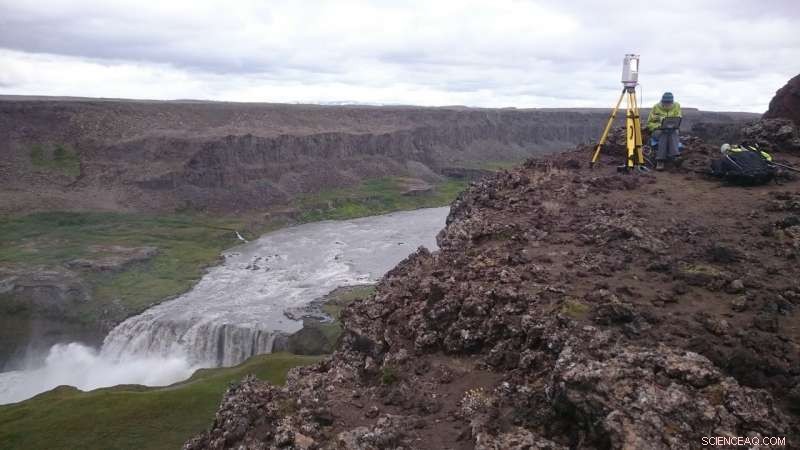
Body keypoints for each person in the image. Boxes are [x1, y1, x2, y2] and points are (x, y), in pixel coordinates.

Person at [646, 92, 682, 170]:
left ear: (672, 102)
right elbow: (649, 123)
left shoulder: (677, 106)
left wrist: (673, 126)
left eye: (669, 103)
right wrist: (659, 126)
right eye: (665, 102)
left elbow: (678, 119)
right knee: (664, 133)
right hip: (657, 131)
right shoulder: (656, 107)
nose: (667, 104)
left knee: (672, 132)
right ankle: (661, 160)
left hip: (672, 130)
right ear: (662, 101)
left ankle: (673, 157)